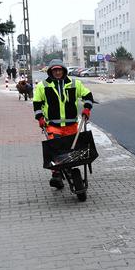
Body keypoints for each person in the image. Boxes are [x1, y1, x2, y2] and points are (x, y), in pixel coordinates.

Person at [33, 59, 94, 189]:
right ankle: (56, 175)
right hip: (53, 126)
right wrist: (40, 118)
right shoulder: (43, 86)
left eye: (59, 69)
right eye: (55, 70)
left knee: (71, 151)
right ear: (50, 71)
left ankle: (69, 170)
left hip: (71, 125)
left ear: (64, 70)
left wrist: (87, 108)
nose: (57, 72)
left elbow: (87, 95)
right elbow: (37, 103)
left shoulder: (74, 84)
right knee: (55, 150)